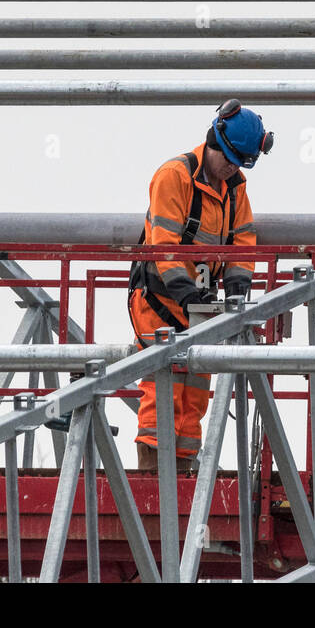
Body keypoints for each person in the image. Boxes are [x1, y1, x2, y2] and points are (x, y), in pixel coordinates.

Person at [128, 99, 273, 471]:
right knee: (164, 388)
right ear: (214, 141)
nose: (231, 168)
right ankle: (151, 485)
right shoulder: (174, 176)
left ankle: (180, 478)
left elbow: (242, 244)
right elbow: (163, 248)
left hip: (199, 305)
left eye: (239, 162)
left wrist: (237, 292)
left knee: (194, 396)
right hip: (158, 301)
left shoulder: (235, 188)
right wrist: (189, 296)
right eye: (228, 159)